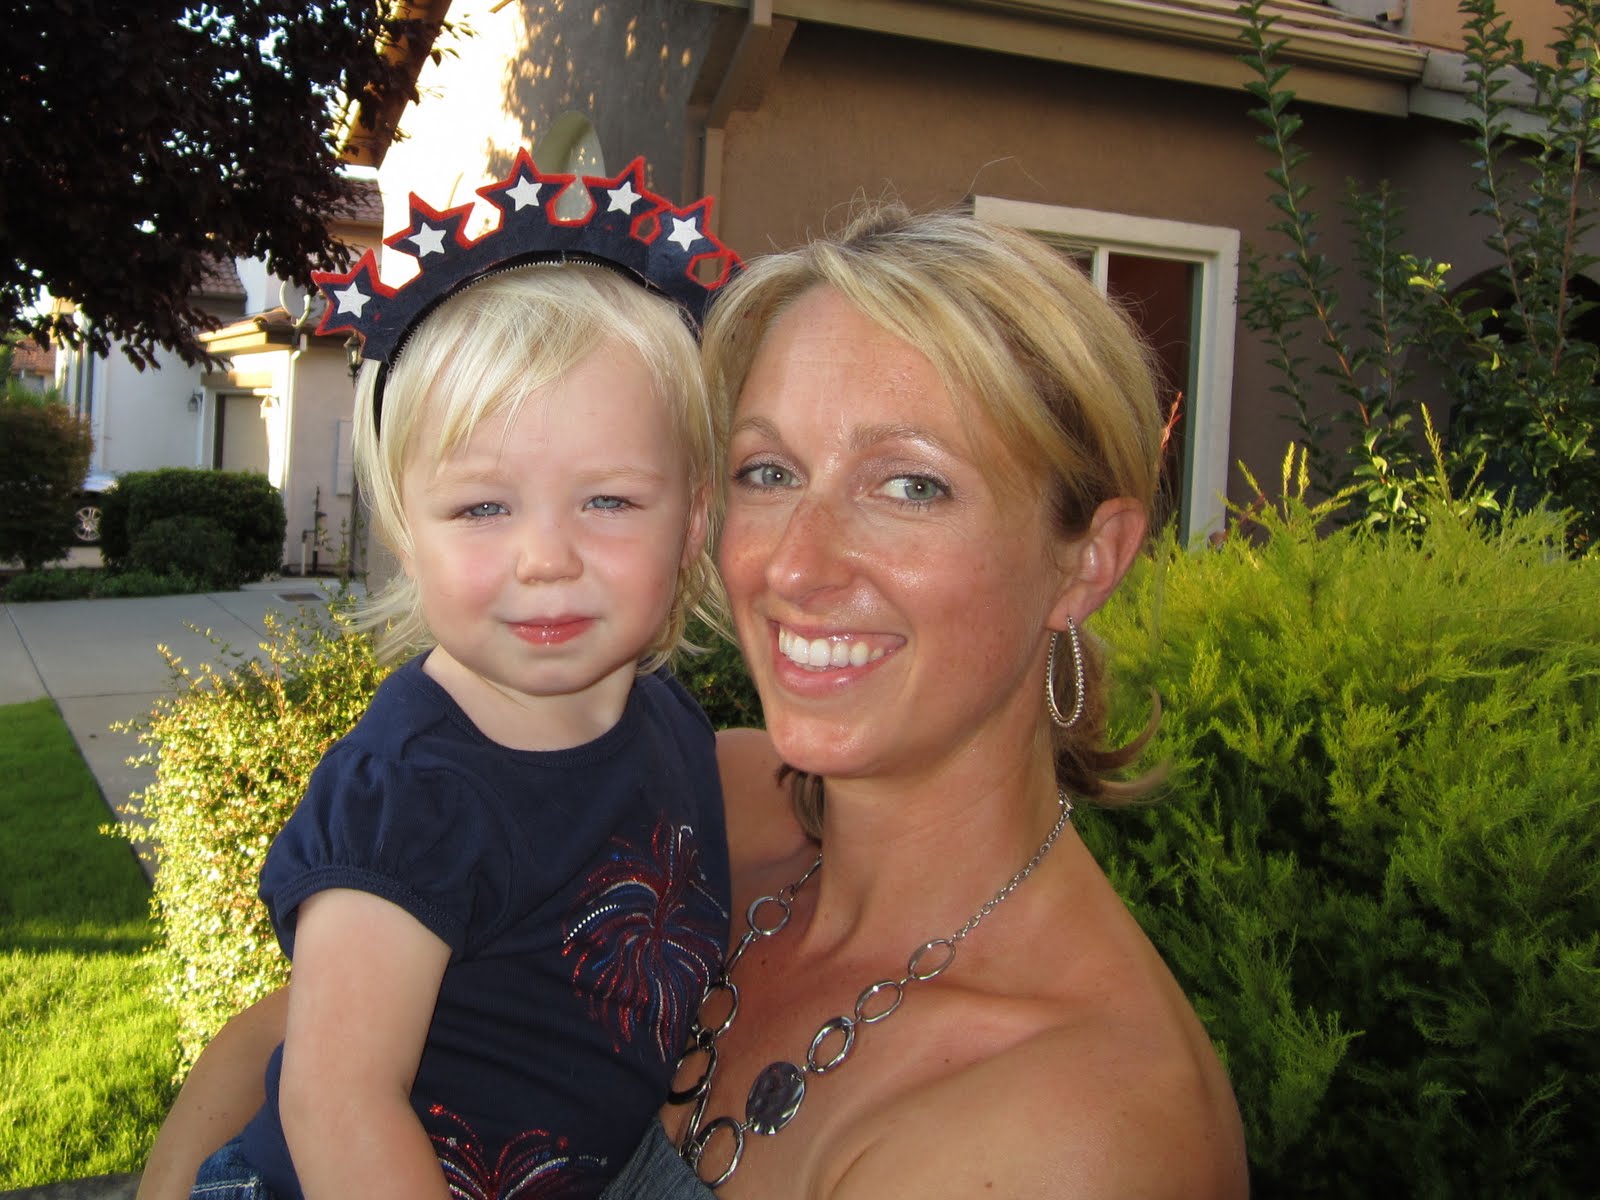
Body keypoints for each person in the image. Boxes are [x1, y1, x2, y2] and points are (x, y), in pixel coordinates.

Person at [140, 201, 1248, 1200]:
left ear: (1087, 560)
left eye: (911, 484)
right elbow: (286, 1049)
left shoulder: (1079, 1133)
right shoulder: (706, 791)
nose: (794, 564)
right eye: (769, 472)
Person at [178, 158, 741, 1200]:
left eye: (610, 501)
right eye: (483, 508)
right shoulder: (410, 793)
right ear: (407, 535)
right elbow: (337, 1099)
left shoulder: (671, 727)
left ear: (694, 520)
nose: (545, 557)